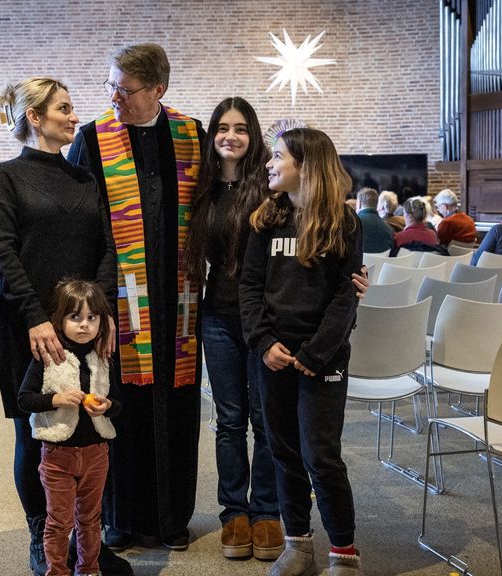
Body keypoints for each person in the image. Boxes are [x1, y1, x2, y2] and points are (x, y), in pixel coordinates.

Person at [0, 77, 130, 576]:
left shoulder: (87, 179)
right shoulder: (6, 176)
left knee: (90, 431)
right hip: (30, 328)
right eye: (64, 108)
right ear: (35, 116)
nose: (74, 117)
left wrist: (103, 314)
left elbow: (109, 250)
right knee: (38, 434)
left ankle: (86, 539)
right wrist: (34, 318)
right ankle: (43, 533)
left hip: (85, 328)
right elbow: (3, 252)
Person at [66, 43, 203, 551]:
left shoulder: (191, 135)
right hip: (118, 303)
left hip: (179, 304)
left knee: (177, 407)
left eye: (124, 89)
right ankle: (119, 517)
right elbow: (82, 221)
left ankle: (171, 519)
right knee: (119, 407)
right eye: (111, 86)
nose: (113, 97)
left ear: (158, 91)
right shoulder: (93, 139)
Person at [239, 127, 364, 576]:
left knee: (321, 456)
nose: (269, 164)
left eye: (278, 156)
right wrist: (264, 342)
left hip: (322, 361)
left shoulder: (345, 224)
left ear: (305, 166)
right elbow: (249, 288)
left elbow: (344, 297)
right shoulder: (265, 220)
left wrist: (315, 355)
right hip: (271, 357)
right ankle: (298, 544)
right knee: (283, 452)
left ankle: (344, 554)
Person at [182, 97, 283, 561]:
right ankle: (233, 514)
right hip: (218, 320)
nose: (231, 136)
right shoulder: (201, 190)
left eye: (241, 128)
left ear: (253, 134)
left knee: (263, 420)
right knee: (228, 421)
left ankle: (266, 512)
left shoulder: (269, 188)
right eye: (223, 128)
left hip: (262, 322)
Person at [18, 279, 122, 576]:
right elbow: (24, 400)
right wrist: (56, 399)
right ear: (59, 320)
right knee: (59, 521)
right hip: (57, 456)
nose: (84, 325)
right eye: (75, 317)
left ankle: (89, 568)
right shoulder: (48, 358)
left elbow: (120, 402)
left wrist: (108, 406)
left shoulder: (103, 358)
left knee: (91, 519)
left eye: (92, 318)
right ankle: (57, 571)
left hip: (96, 453)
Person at [354, 187, 394, 254]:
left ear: (359, 203)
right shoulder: (390, 229)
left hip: (359, 264)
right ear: (376, 204)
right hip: (381, 263)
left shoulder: (353, 224)